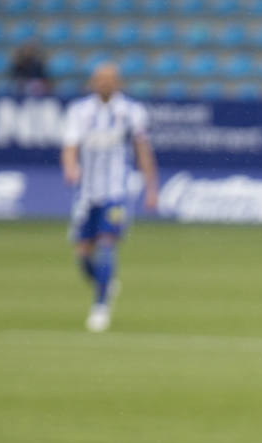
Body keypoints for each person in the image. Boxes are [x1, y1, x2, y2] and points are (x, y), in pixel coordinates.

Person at [60, 62, 157, 334]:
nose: (103, 83)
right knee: (82, 255)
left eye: (109, 79)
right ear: (92, 82)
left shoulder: (131, 112)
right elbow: (69, 146)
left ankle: (100, 307)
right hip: (86, 193)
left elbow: (143, 150)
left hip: (117, 192)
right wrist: (70, 167)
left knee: (106, 244)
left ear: (118, 83)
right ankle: (104, 282)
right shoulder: (79, 111)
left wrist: (151, 188)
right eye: (99, 79)